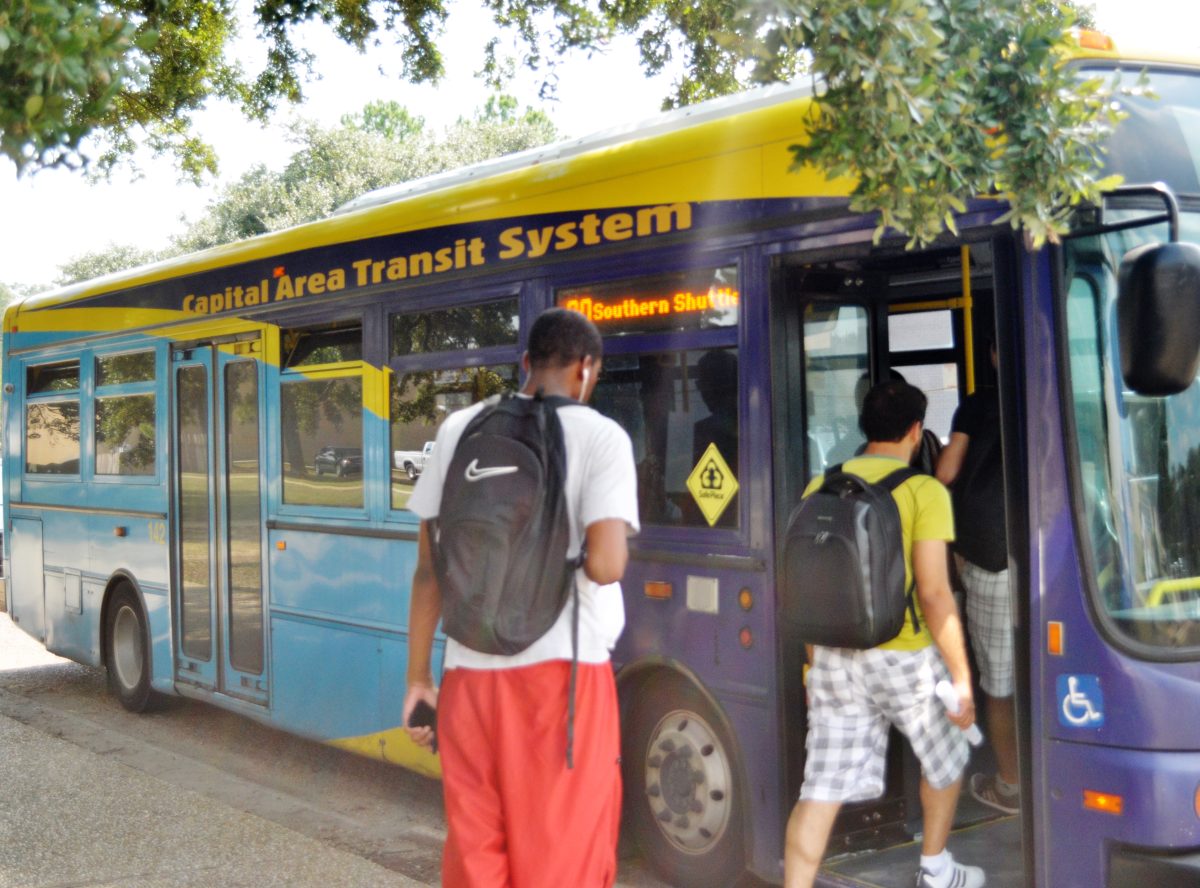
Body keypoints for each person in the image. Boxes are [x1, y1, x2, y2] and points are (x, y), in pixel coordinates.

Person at [402, 307, 640, 888]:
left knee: (477, 856)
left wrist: (419, 682)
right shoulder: (601, 436)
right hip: (561, 684)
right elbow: (607, 564)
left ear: (527, 363)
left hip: (467, 679)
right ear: (587, 369)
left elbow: (429, 571)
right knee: (561, 859)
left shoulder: (459, 428)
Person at [785, 380, 984, 888]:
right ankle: (935, 869)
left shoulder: (820, 486)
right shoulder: (924, 491)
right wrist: (961, 679)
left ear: (864, 427)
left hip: (833, 656)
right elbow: (936, 595)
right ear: (916, 431)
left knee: (820, 789)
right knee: (948, 756)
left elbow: (811, 591)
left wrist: (813, 666)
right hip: (906, 659)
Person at [936, 343, 1018, 815]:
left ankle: (1008, 785)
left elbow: (946, 471)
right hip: (1047, 558)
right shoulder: (1061, 392)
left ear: (992, 354)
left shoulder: (978, 402)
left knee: (998, 685)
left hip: (991, 562)